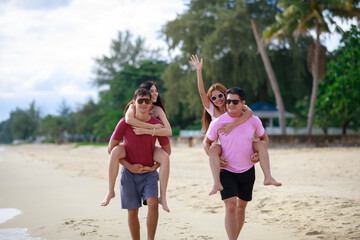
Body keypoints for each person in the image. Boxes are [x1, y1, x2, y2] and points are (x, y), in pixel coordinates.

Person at [189, 54, 281, 196]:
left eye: (221, 95)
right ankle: (216, 182)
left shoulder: (233, 105)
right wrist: (199, 71)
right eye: (213, 97)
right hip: (225, 145)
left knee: (261, 145)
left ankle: (268, 176)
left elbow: (250, 113)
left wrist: (233, 125)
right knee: (212, 148)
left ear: (226, 95)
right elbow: (201, 93)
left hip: (242, 143)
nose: (218, 99)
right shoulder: (213, 111)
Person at [204, 87, 268, 239]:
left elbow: (264, 139)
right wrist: (216, 159)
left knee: (241, 208)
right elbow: (207, 143)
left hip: (247, 171)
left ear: (243, 103)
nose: (230, 104)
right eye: (228, 101)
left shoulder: (253, 120)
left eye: (234, 101)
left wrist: (258, 155)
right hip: (227, 172)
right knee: (231, 206)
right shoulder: (218, 122)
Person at [109, 88, 171, 240]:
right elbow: (111, 149)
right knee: (132, 211)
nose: (143, 104)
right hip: (129, 174)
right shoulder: (124, 122)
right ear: (134, 103)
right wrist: (129, 166)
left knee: (153, 204)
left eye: (147, 101)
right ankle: (110, 191)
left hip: (149, 173)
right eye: (140, 100)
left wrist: (153, 167)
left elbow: (167, 151)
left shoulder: (157, 124)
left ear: (151, 105)